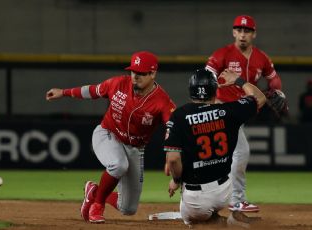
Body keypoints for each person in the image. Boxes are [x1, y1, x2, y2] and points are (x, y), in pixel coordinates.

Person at [46, 51, 176, 224]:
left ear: (153, 74)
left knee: (128, 208)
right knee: (118, 164)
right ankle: (97, 206)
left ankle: (94, 192)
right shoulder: (118, 83)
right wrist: (64, 92)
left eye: (141, 73)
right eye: (133, 71)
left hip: (135, 148)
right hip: (107, 134)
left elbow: (174, 127)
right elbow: (92, 91)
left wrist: (172, 153)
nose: (135, 77)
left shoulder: (162, 101)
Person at [164, 69, 266, 225]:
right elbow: (259, 98)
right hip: (224, 192)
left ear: (191, 90)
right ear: (215, 90)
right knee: (207, 208)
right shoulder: (229, 111)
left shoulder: (179, 116)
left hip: (195, 199)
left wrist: (176, 180)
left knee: (190, 219)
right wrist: (238, 81)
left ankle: (223, 223)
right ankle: (226, 219)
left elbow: (172, 159)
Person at [205, 15, 283, 212]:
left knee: (223, 155)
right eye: (239, 30)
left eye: (247, 31)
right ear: (233, 32)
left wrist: (278, 91)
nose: (242, 34)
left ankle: (208, 196)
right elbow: (207, 76)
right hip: (222, 107)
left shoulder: (261, 58)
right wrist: (210, 99)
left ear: (253, 34)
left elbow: (273, 80)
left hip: (242, 111)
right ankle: (235, 199)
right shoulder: (222, 54)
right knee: (241, 151)